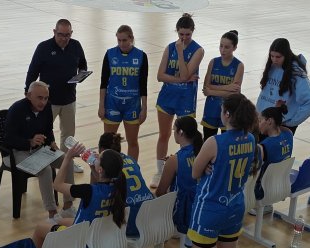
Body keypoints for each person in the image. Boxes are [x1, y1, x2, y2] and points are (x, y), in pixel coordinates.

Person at [187, 93, 257, 248]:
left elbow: (195, 172)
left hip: (210, 209)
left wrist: (207, 168)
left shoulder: (214, 142)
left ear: (227, 114)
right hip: (235, 206)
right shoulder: (251, 139)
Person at [5, 81, 76, 222]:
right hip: (18, 152)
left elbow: (48, 129)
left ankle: (68, 207)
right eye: (39, 98)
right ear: (29, 95)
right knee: (45, 170)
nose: (43, 102)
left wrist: (52, 142)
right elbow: (8, 139)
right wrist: (29, 142)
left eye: (45, 98)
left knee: (67, 161)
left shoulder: (47, 107)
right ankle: (52, 213)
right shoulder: (17, 109)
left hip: (40, 149)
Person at [32, 146, 127, 248]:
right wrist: (93, 167)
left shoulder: (87, 190)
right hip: (97, 239)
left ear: (100, 169)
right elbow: (101, 183)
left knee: (39, 228)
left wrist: (67, 157)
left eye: (99, 158)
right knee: (59, 221)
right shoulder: (118, 187)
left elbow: (57, 185)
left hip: (79, 242)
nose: (96, 157)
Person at [25, 19, 87, 173]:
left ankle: (67, 164)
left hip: (69, 100)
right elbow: (32, 71)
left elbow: (83, 65)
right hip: (47, 102)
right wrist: (28, 92)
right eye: (60, 34)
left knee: (68, 135)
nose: (64, 38)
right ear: (54, 32)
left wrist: (81, 75)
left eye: (67, 35)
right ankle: (40, 164)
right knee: (42, 133)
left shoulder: (76, 45)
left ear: (71, 33)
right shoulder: (43, 47)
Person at [151, 13, 204, 188]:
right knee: (164, 135)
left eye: (187, 34)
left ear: (193, 31)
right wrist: (181, 79)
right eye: (181, 34)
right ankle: (160, 171)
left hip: (186, 99)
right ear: (177, 31)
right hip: (167, 97)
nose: (184, 37)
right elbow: (160, 76)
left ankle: (182, 170)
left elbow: (183, 73)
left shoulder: (198, 50)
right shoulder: (169, 47)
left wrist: (180, 54)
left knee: (185, 138)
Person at [98, 25, 148, 161]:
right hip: (112, 103)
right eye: (119, 40)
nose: (121, 43)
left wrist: (144, 108)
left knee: (132, 142)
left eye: (124, 40)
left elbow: (143, 85)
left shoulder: (141, 56)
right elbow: (103, 82)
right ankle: (107, 173)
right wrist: (101, 105)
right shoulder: (109, 54)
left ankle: (132, 169)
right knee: (108, 143)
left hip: (132, 105)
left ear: (131, 38)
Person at [155, 116, 203, 247]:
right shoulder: (203, 151)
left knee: (152, 201)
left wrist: (169, 166)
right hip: (202, 208)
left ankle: (169, 232)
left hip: (182, 213)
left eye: (174, 129)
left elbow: (160, 192)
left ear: (180, 132)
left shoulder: (175, 160)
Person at [95, 132, 153, 237]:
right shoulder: (131, 159)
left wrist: (94, 170)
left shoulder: (107, 167)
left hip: (128, 225)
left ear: (102, 150)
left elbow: (96, 195)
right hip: (149, 218)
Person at [257, 38, 310, 135]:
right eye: (272, 56)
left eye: (278, 57)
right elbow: (265, 93)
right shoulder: (271, 66)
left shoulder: (296, 73)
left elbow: (308, 101)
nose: (274, 60)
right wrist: (258, 114)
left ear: (286, 55)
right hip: (264, 121)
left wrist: (292, 122)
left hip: (282, 124)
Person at [249, 104, 293, 215]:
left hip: (264, 191)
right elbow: (282, 129)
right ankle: (267, 205)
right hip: (282, 185)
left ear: (269, 121)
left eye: (259, 120)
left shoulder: (263, 147)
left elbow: (253, 173)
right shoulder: (289, 135)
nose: (258, 124)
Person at [201, 30, 244, 141]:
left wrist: (212, 91)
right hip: (211, 109)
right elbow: (206, 87)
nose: (222, 50)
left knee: (227, 143)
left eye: (227, 47)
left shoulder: (239, 65)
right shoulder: (213, 62)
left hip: (229, 110)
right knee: (208, 141)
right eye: (221, 46)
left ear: (234, 48)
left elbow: (234, 93)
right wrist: (226, 87)